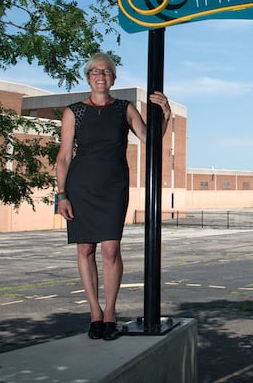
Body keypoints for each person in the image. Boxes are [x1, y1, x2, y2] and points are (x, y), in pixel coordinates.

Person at [55, 52, 171, 340]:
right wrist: (61, 195)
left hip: (114, 187)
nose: (100, 75)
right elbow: (64, 156)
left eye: (105, 71)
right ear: (88, 77)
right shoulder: (73, 112)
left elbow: (151, 140)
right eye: (94, 71)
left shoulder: (124, 108)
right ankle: (94, 313)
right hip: (80, 187)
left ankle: (110, 312)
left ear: (113, 78)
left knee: (110, 250)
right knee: (85, 250)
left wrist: (166, 114)